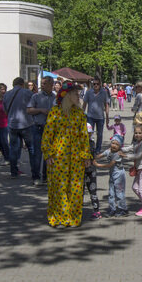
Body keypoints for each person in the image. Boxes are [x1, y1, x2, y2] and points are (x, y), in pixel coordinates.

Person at [42, 83, 92, 228]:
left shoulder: (80, 114)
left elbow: (84, 136)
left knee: (76, 188)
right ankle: (59, 218)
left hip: (76, 157)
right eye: (76, 94)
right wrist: (49, 153)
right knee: (60, 187)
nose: (79, 97)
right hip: (58, 157)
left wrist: (86, 155)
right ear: (67, 96)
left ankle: (73, 217)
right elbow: (47, 135)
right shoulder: (55, 112)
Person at [3, 77, 35, 179]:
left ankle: (13, 172)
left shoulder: (7, 94)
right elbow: (33, 106)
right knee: (31, 148)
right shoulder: (27, 93)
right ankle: (34, 172)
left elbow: (5, 109)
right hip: (26, 123)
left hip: (12, 124)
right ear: (22, 84)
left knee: (13, 148)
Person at [27, 77, 56, 186]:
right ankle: (35, 176)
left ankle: (46, 176)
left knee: (48, 153)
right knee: (37, 154)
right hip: (38, 127)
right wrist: (40, 110)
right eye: (42, 83)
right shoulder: (36, 96)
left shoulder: (55, 97)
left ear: (51, 84)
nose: (42, 85)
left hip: (51, 128)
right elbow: (28, 110)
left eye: (44, 83)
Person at [120, 125, 142, 217]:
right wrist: (119, 148)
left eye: (139, 133)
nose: (137, 135)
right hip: (139, 168)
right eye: (136, 133)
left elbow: (138, 155)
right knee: (135, 187)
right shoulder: (137, 143)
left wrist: (125, 156)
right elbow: (129, 148)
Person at [94, 134, 128, 217]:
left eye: (117, 144)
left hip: (119, 176)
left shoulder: (118, 154)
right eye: (113, 143)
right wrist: (94, 158)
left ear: (120, 146)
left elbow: (110, 165)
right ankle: (112, 208)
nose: (114, 145)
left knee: (119, 192)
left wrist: (98, 165)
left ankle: (123, 209)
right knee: (111, 193)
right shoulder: (109, 151)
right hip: (112, 175)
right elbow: (101, 155)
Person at [82, 79, 110, 154]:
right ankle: (90, 148)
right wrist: (81, 114)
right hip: (90, 116)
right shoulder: (88, 92)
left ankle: (98, 149)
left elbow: (106, 105)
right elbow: (84, 104)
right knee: (89, 134)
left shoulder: (104, 93)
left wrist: (107, 117)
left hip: (100, 117)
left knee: (99, 134)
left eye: (97, 84)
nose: (95, 85)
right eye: (94, 84)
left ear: (100, 84)